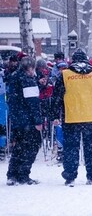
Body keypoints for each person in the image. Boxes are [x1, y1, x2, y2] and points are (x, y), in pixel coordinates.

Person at [53, 49, 92, 186]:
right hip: (91, 117)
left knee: (71, 149)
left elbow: (57, 97)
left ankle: (70, 176)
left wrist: (54, 114)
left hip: (71, 117)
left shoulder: (65, 75)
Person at [5, 57, 42, 185]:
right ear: (30, 68)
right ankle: (23, 174)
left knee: (19, 147)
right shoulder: (28, 80)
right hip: (28, 120)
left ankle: (12, 174)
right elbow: (33, 102)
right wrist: (38, 121)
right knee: (32, 146)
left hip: (16, 119)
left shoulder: (13, 77)